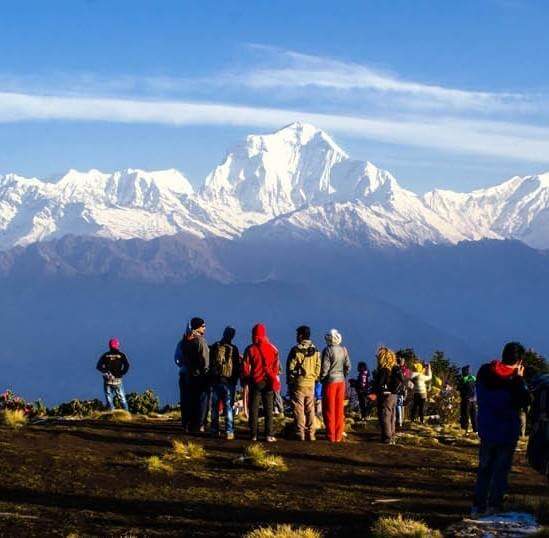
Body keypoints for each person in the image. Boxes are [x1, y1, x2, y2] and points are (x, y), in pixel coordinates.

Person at [472, 342, 530, 516]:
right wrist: (519, 379)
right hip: (507, 431)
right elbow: (524, 402)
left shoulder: (484, 371)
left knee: (484, 469)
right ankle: (494, 505)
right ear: (519, 361)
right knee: (501, 470)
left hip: (486, 428)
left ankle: (478, 506)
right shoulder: (515, 380)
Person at [242, 323, 280, 442]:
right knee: (269, 409)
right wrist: (273, 376)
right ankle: (269, 435)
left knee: (253, 409)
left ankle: (253, 435)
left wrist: (246, 379)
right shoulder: (273, 349)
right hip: (268, 382)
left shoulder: (250, 349)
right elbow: (276, 367)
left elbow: (245, 367)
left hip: (255, 382)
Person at [287, 325, 321, 441]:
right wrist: (314, 377)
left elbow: (291, 368)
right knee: (310, 408)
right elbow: (318, 367)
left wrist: (292, 380)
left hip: (299, 384)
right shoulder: (316, 350)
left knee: (299, 408)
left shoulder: (296, 350)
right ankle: (311, 433)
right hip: (311, 383)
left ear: (301, 335)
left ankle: (300, 432)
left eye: (297, 335)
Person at [176, 317, 210, 433]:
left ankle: (186, 424)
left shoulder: (183, 342)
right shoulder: (201, 341)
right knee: (201, 401)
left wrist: (184, 366)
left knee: (187, 400)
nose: (205, 328)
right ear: (198, 327)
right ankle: (199, 425)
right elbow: (205, 361)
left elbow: (177, 359)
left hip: (186, 375)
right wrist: (205, 372)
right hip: (199, 376)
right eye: (203, 326)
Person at [209, 326, 240, 440]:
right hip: (229, 382)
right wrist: (235, 381)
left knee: (215, 407)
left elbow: (210, 364)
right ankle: (229, 431)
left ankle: (214, 430)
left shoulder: (215, 346)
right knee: (229, 407)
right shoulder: (234, 349)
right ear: (232, 336)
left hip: (216, 381)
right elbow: (236, 367)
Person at [320, 329, 351, 443]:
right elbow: (348, 366)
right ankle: (338, 435)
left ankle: (331, 435)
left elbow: (325, 368)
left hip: (330, 382)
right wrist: (343, 375)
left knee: (329, 408)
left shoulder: (327, 350)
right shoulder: (344, 350)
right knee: (339, 409)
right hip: (341, 382)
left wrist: (321, 378)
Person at [373, 346, 404, 444]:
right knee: (392, 416)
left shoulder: (384, 370)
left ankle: (387, 437)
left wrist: (375, 392)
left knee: (385, 415)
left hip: (385, 396)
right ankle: (391, 435)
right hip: (394, 395)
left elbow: (379, 384)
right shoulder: (395, 368)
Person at [96, 338, 130, 411]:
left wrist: (106, 371)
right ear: (117, 345)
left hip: (108, 380)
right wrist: (121, 373)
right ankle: (126, 413)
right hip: (118, 380)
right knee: (122, 398)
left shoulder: (105, 355)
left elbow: (98, 366)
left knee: (109, 398)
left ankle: (112, 412)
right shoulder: (121, 355)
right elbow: (127, 365)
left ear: (109, 346)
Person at [458, 365, 478, 433]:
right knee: (473, 415)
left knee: (465, 415)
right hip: (474, 400)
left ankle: (465, 429)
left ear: (463, 372)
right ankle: (475, 430)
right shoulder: (473, 378)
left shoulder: (463, 379)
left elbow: (459, 388)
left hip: (466, 400)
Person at [395, 356, 409, 428]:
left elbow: (405, 380)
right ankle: (401, 420)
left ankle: (400, 421)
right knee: (400, 405)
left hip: (400, 389)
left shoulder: (401, 370)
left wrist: (405, 389)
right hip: (402, 389)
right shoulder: (405, 370)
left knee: (399, 405)